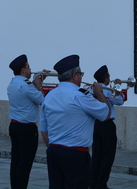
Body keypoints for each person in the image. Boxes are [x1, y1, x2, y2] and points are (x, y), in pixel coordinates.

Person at [40, 54, 109, 189]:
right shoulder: (81, 95)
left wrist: (55, 148)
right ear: (74, 75)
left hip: (54, 151)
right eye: (81, 74)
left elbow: (44, 130)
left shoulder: (49, 96)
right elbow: (106, 114)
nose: (81, 77)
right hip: (76, 154)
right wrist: (100, 93)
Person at [7, 54, 45, 189]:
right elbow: (41, 100)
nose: (30, 70)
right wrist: (39, 87)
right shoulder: (26, 85)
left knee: (16, 161)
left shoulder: (12, 83)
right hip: (27, 128)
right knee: (25, 163)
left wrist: (35, 84)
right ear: (23, 70)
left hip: (15, 125)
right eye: (28, 67)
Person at [89, 65, 125, 189]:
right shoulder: (108, 90)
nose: (110, 78)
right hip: (107, 124)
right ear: (105, 79)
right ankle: (101, 184)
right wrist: (118, 87)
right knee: (107, 157)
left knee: (97, 155)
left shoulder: (90, 90)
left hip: (95, 125)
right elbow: (120, 100)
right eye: (108, 76)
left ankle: (93, 183)